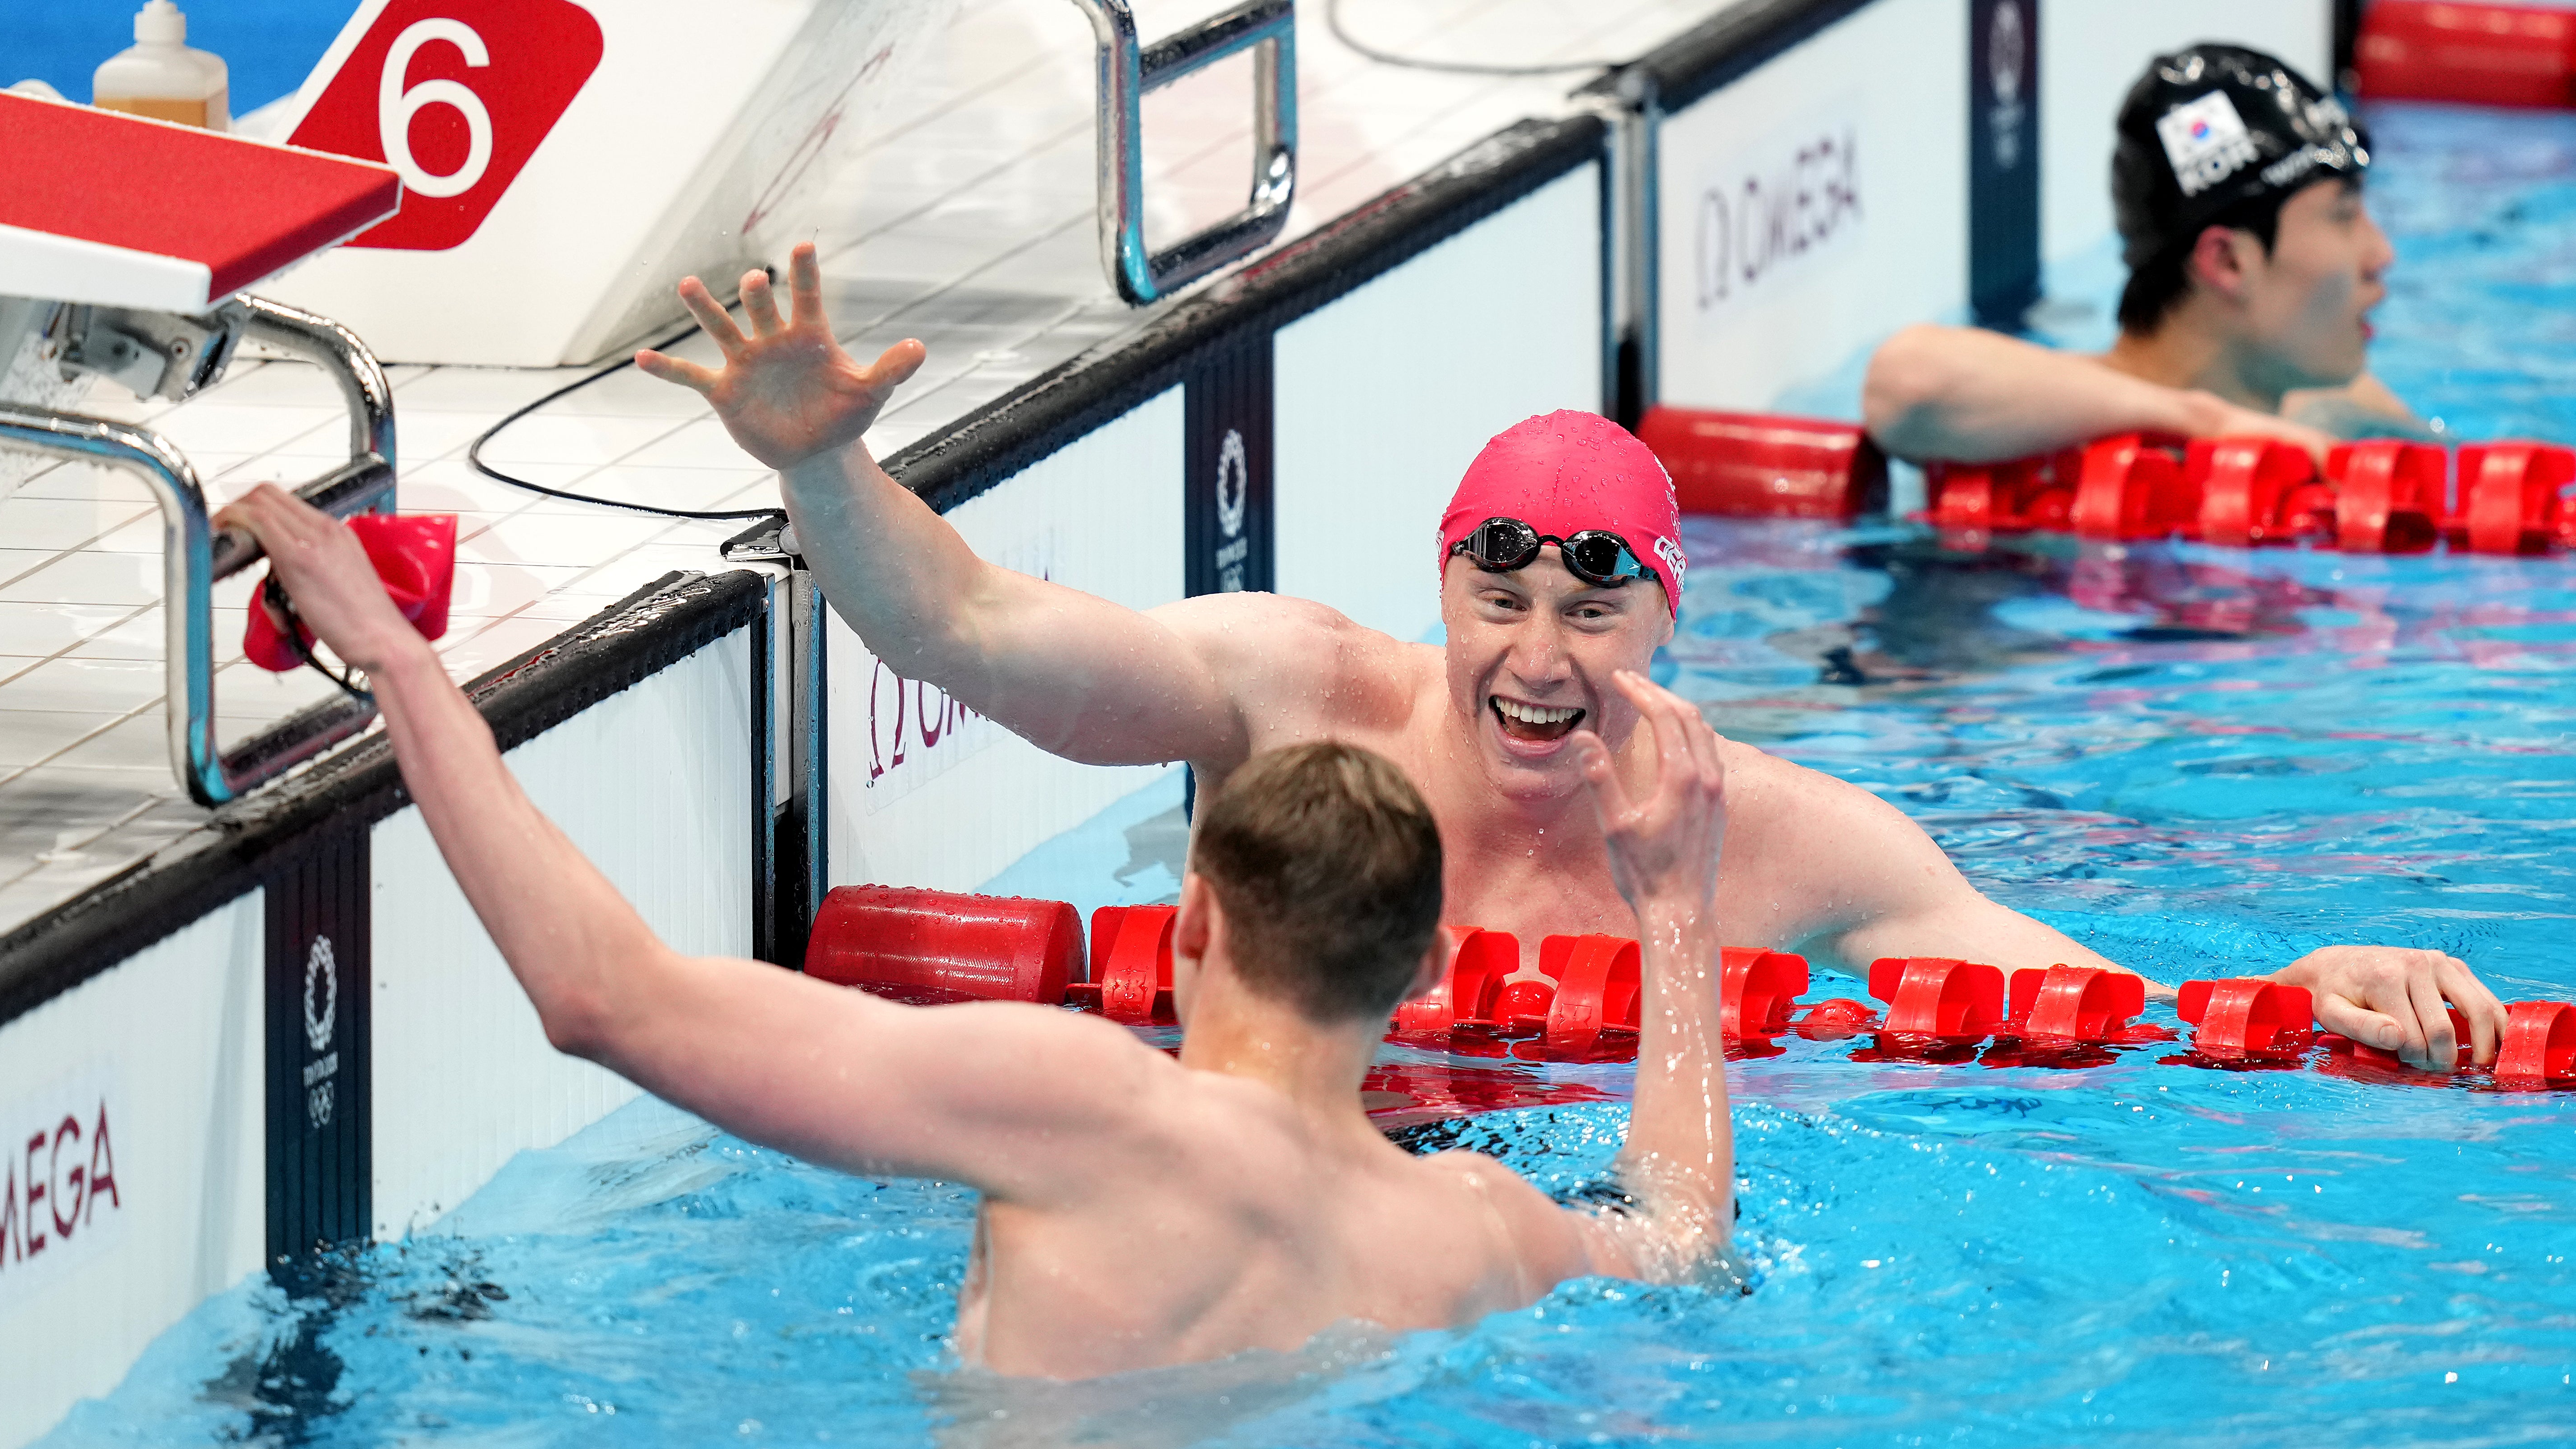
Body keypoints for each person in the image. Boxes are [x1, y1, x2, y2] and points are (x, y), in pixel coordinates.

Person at [632, 246, 2504, 1071]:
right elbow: (963, 630)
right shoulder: (1292, 692)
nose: (1536, 659)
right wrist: (822, 463)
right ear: (1438, 589)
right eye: (1497, 601)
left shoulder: (1770, 834)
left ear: (1669, 620)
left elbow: (2081, 1001)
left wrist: (2289, 980)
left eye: (1592, 612)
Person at [228, 477, 1746, 1376]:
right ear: (1426, 968)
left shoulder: (1083, 1107)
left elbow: (600, 996)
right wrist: (1672, 915)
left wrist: (386, 653)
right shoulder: (1470, 1226)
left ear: (1194, 913)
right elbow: (1685, 1242)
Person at [1864, 43, 2420, 465]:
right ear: (2228, 262)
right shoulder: (2041, 421)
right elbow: (1906, 382)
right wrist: (2202, 423)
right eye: (2343, 216)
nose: (2381, 254)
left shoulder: (2335, 406)